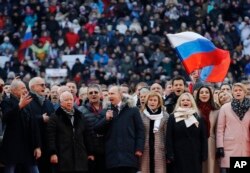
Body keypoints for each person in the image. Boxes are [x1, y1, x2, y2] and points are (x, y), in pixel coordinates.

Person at [94, 86, 145, 173]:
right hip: (112, 157)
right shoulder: (105, 111)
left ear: (120, 94)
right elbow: (97, 129)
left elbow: (140, 130)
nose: (110, 96)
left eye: (112, 93)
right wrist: (105, 119)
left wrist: (139, 148)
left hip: (130, 156)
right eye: (109, 94)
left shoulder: (133, 110)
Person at [47, 91, 94, 173]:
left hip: (80, 156)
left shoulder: (80, 116)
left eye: (71, 100)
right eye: (66, 100)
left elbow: (87, 135)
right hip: (63, 156)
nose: (69, 102)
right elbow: (50, 137)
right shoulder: (55, 117)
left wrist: (90, 152)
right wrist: (53, 153)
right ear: (61, 102)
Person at [0, 80, 41, 173]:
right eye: (23, 88)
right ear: (14, 90)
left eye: (26, 88)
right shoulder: (6, 102)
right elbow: (6, 118)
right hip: (12, 148)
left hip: (29, 148)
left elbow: (34, 126)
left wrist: (37, 146)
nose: (26, 90)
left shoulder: (28, 102)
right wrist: (19, 106)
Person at [166, 92, 208, 173]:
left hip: (195, 154)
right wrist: (170, 154)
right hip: (177, 155)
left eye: (188, 100)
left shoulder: (198, 117)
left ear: (191, 102)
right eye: (183, 100)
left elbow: (203, 137)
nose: (185, 102)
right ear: (179, 102)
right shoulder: (172, 117)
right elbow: (169, 137)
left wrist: (204, 154)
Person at [216, 83, 250, 173]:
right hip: (229, 147)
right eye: (235, 90)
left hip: (245, 146)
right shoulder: (225, 108)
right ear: (232, 93)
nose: (238, 92)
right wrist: (220, 146)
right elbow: (220, 129)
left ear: (245, 92)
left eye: (240, 90)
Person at [28, 77, 55, 173]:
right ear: (33, 87)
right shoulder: (26, 102)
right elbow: (25, 120)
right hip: (33, 145)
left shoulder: (48, 102)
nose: (45, 87)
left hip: (48, 144)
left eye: (45, 84)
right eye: (41, 85)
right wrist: (40, 118)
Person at [78, 84, 106, 173]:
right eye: (90, 93)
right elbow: (80, 134)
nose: (93, 94)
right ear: (87, 95)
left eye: (96, 92)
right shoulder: (81, 110)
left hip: (107, 150)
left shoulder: (108, 108)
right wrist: (88, 152)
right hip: (91, 152)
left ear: (100, 94)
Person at [140, 92, 168, 173]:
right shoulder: (141, 114)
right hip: (145, 149)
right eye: (150, 100)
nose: (152, 102)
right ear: (147, 101)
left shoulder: (165, 115)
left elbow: (167, 135)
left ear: (159, 102)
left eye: (155, 100)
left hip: (160, 150)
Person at [196, 86, 220, 173]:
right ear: (198, 95)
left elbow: (219, 131)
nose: (204, 94)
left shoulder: (216, 111)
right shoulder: (194, 111)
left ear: (210, 95)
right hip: (197, 143)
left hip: (211, 143)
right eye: (201, 92)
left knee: (211, 167)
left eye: (207, 92)